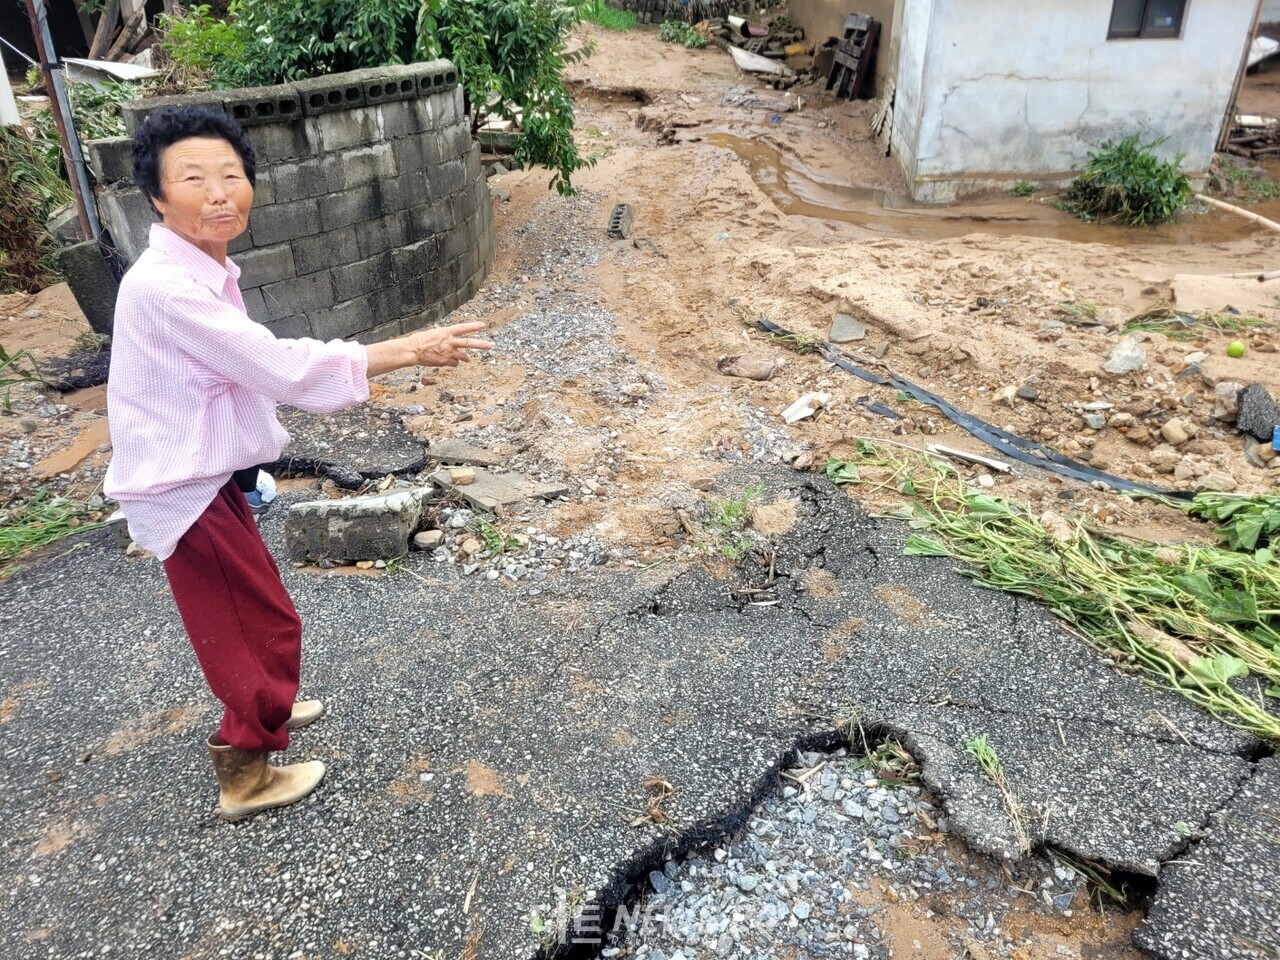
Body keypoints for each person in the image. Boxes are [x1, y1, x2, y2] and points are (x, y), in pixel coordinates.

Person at [104, 105, 492, 821]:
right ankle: (245, 767)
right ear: (156, 196)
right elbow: (278, 368)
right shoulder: (168, 287)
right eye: (193, 178)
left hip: (201, 474)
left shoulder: (197, 269)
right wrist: (410, 348)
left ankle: (267, 705)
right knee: (260, 626)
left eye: (231, 175)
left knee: (255, 615)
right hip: (179, 485)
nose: (219, 192)